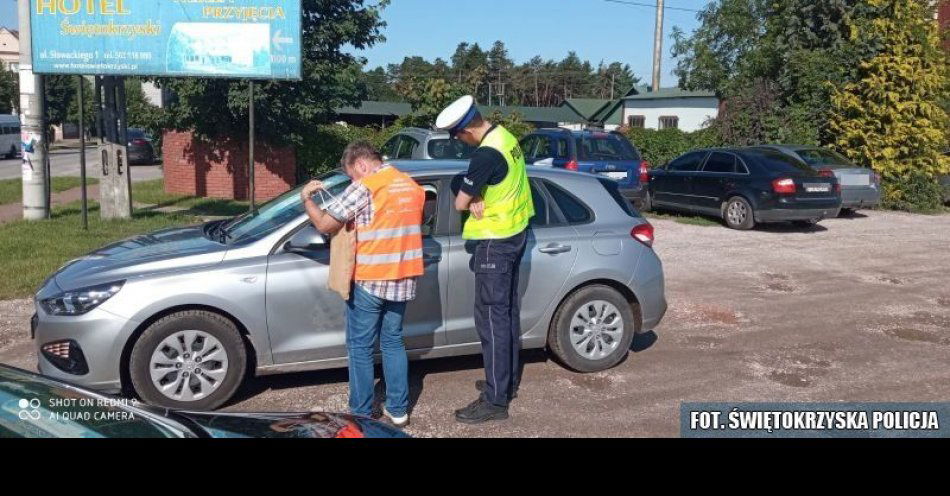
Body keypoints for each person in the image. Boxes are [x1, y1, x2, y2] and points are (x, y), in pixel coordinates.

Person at [300, 141, 425, 428]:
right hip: (404, 277)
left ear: (361, 165)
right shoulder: (411, 186)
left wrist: (307, 198)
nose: (353, 180)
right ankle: (398, 409)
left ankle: (361, 412)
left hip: (371, 278)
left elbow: (325, 225)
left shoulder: (365, 186)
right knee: (393, 341)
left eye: (352, 174)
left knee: (360, 347)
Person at [435, 95, 535, 424]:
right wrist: (475, 189)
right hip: (515, 234)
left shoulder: (485, 154)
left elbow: (461, 203)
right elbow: (477, 184)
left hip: (495, 242)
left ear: (466, 130)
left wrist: (471, 192)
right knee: (506, 317)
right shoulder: (505, 137)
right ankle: (504, 384)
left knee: (491, 322)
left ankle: (495, 401)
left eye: (456, 136)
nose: (457, 143)